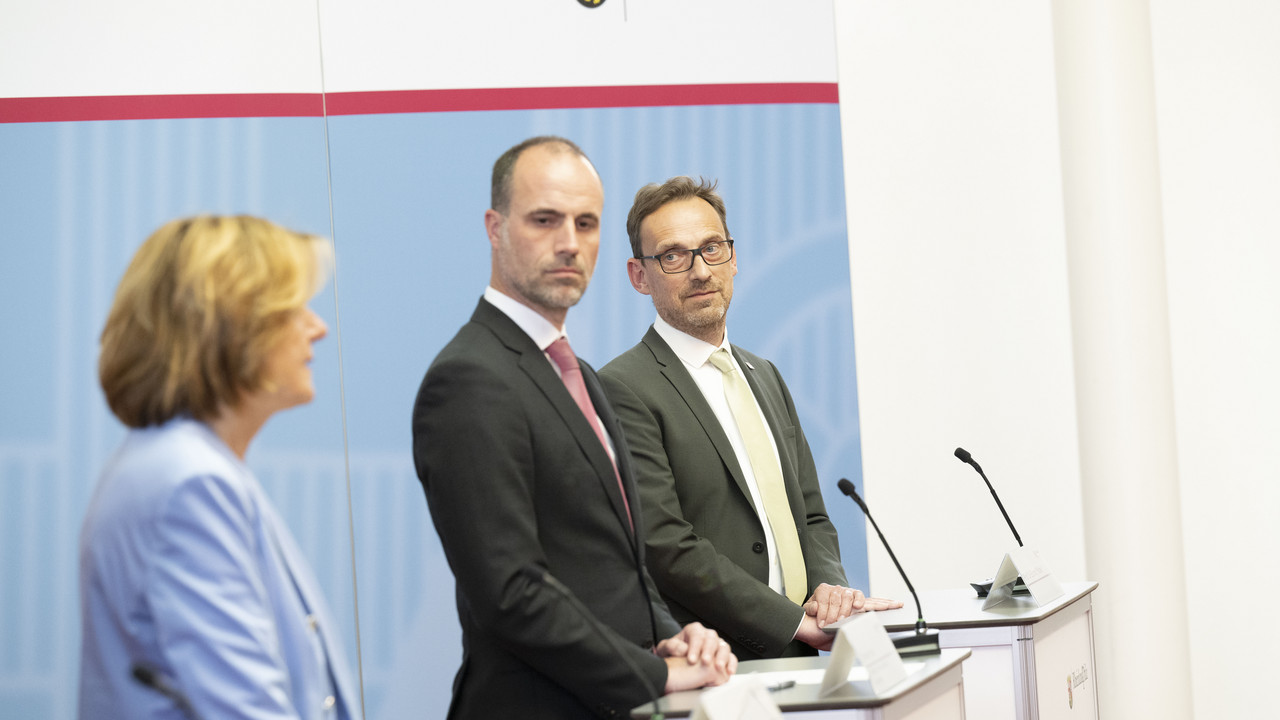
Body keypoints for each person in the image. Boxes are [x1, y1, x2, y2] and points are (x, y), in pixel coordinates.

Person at [411, 138, 735, 719]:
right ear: (495, 226)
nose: (569, 242)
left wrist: (670, 635)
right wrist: (656, 672)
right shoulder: (468, 379)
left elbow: (613, 563)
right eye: (545, 220)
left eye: (586, 223)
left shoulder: (576, 372)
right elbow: (510, 592)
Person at [599, 176, 903, 661]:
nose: (700, 271)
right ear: (639, 276)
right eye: (674, 256)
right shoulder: (622, 388)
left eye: (712, 248)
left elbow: (812, 515)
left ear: (733, 258)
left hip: (799, 656)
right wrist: (792, 623)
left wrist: (830, 594)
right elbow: (666, 546)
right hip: (709, 664)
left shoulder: (764, 375)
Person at [79, 216, 359, 719]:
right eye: (293, 308)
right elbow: (244, 708)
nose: (318, 327)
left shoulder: (183, 466)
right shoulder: (191, 481)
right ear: (232, 325)